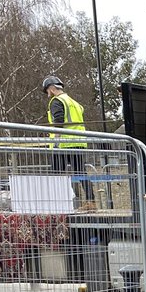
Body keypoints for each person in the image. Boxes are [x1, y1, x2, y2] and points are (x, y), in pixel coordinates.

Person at [42, 75, 95, 210]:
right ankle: (91, 202)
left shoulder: (56, 101)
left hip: (64, 144)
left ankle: (58, 203)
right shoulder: (73, 102)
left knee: (56, 175)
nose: (48, 94)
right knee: (80, 172)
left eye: (47, 90)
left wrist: (56, 142)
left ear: (52, 89)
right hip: (78, 142)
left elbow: (58, 122)